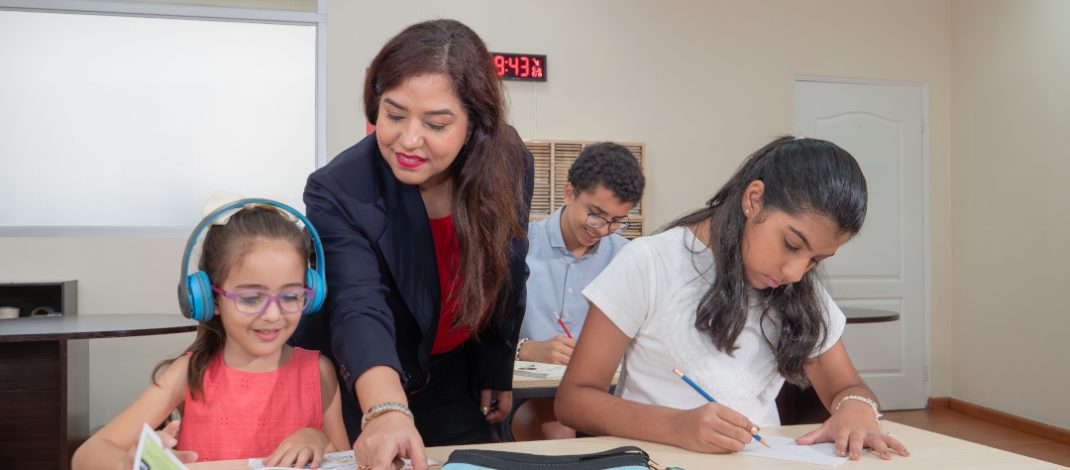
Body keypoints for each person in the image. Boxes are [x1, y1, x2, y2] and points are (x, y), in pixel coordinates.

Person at [555, 136, 909, 461]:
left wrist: (856, 407)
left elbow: (846, 386)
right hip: (659, 460)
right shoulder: (650, 262)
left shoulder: (799, 290)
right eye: (791, 244)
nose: (796, 272)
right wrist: (677, 427)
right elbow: (574, 400)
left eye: (815, 260)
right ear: (753, 200)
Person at [289, 19, 533, 470]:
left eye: (436, 124)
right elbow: (356, 304)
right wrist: (385, 410)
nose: (409, 140)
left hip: (453, 375)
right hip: (368, 378)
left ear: (476, 125)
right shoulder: (340, 189)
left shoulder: (510, 163)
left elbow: (508, 268)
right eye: (394, 114)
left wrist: (496, 368)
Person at [72, 199, 348, 469]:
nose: (273, 315)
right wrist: (126, 462)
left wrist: (317, 438)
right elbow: (87, 455)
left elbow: (349, 460)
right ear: (209, 298)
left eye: (290, 296)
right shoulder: (189, 373)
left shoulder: (318, 371)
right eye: (251, 298)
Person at [512, 141, 644, 440]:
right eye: (595, 213)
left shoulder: (628, 258)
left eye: (616, 221)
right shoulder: (520, 247)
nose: (602, 228)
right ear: (569, 192)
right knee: (556, 427)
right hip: (532, 394)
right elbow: (477, 339)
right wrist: (525, 350)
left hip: (605, 394)